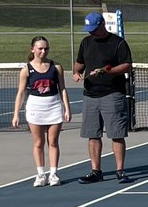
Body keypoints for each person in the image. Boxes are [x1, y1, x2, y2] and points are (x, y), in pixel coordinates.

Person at [74, 12, 134, 184]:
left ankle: (120, 170)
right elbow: (78, 65)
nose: (91, 33)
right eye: (89, 30)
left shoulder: (118, 43)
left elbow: (127, 66)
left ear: (102, 25)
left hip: (112, 94)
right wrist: (77, 73)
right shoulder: (86, 42)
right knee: (92, 135)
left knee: (116, 134)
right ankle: (95, 171)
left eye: (94, 29)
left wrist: (108, 71)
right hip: (90, 95)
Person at [12, 36, 72, 187]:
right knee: (38, 142)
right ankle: (40, 174)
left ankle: (53, 174)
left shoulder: (56, 67)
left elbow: (62, 88)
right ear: (32, 49)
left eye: (46, 48)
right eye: (40, 48)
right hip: (35, 107)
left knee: (53, 142)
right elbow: (21, 92)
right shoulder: (26, 70)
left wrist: (67, 108)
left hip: (53, 106)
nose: (43, 51)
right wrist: (16, 114)